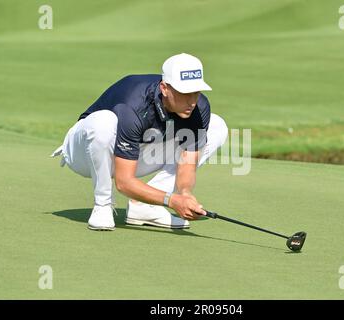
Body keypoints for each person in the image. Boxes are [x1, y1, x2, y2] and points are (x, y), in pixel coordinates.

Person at [51, 53, 228, 231]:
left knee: (217, 126)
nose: (192, 101)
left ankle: (144, 207)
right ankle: (102, 205)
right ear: (164, 88)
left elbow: (187, 165)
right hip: (84, 153)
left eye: (196, 92)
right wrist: (172, 200)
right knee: (103, 123)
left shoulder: (199, 107)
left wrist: (185, 194)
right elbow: (124, 182)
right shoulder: (134, 103)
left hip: (139, 148)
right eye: (184, 93)